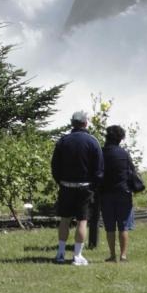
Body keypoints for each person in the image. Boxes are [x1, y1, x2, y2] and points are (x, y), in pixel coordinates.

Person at [51, 110, 103, 266]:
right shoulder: (92, 141)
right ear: (86, 123)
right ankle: (77, 256)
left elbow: (55, 165)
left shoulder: (63, 141)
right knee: (82, 221)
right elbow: (99, 168)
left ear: (72, 123)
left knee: (64, 220)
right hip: (85, 187)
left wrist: (60, 181)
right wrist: (94, 185)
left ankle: (60, 253)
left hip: (66, 185)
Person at [99, 124, 135, 262]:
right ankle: (123, 255)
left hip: (106, 193)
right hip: (123, 192)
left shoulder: (101, 153)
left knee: (109, 226)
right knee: (123, 225)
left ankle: (112, 255)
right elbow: (132, 171)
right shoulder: (124, 154)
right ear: (121, 139)